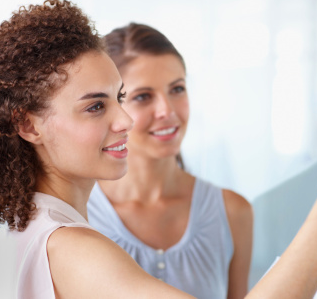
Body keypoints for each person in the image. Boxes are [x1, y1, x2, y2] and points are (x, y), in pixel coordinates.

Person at [0, 0, 317, 299]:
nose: (125, 120)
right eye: (96, 107)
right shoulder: (73, 248)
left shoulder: (27, 224)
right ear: (28, 124)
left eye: (119, 97)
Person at [87, 23, 252, 299]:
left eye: (177, 89)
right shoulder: (77, 217)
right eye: (143, 96)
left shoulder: (233, 212)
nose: (167, 111)